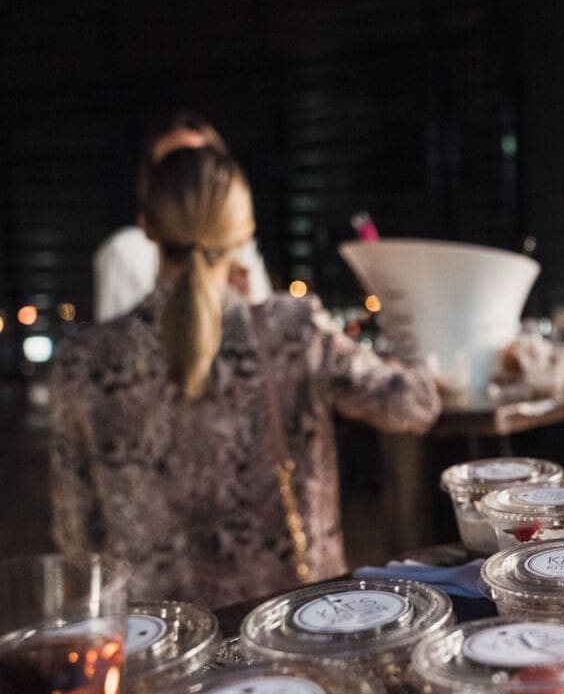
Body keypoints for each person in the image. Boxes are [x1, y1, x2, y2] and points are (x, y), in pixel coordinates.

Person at [51, 147, 440, 607]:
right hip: (293, 620)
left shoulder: (83, 361)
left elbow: (76, 534)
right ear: (245, 230)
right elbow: (412, 405)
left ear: (148, 227)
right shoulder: (293, 330)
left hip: (161, 632)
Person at [93, 110, 271, 322]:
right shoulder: (125, 251)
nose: (188, 179)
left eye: (199, 163)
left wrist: (242, 300)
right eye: (172, 167)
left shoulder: (243, 252)